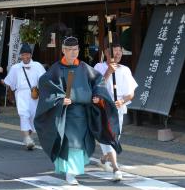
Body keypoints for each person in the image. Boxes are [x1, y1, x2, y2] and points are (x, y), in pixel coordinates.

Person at [35, 36, 121, 185]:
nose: (73, 52)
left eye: (75, 49)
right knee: (70, 143)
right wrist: (60, 99)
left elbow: (98, 81)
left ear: (79, 50)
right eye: (69, 50)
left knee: (81, 143)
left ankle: (71, 171)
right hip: (65, 113)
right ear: (63, 50)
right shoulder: (56, 69)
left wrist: (97, 96)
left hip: (83, 113)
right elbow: (45, 85)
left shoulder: (84, 67)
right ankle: (70, 173)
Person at [94, 36, 138, 181]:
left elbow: (131, 93)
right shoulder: (99, 67)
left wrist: (122, 101)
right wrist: (108, 72)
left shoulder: (125, 70)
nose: (118, 54)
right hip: (103, 107)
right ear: (107, 52)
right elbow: (96, 87)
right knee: (108, 136)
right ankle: (116, 168)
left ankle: (104, 158)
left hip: (118, 108)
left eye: (120, 51)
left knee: (115, 137)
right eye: (115, 51)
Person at [4, 43, 45, 150]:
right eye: (23, 55)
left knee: (33, 116)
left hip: (34, 94)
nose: (25, 57)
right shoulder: (15, 68)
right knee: (24, 115)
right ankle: (27, 138)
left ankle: (28, 136)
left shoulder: (37, 66)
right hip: (21, 94)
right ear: (20, 56)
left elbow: (44, 81)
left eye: (27, 54)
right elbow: (9, 82)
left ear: (31, 55)